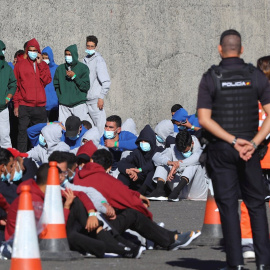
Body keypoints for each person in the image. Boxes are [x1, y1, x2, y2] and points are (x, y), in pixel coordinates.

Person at [197, 29, 270, 270]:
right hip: (249, 150)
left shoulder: (211, 77)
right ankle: (263, 263)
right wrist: (254, 142)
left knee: (228, 207)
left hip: (222, 149)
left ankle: (235, 264)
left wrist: (231, 140)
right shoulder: (256, 76)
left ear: (220, 49)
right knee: (256, 205)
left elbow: (204, 119)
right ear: (242, 49)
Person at [74, 148, 201, 250]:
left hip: (81, 227)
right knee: (133, 214)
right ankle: (171, 239)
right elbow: (126, 197)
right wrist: (146, 213)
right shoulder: (103, 179)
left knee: (124, 214)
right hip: (95, 230)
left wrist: (136, 196)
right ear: (108, 168)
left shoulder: (78, 177)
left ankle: (160, 234)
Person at [13, 38, 51, 152]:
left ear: (38, 51)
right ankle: (22, 159)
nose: (32, 52)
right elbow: (16, 86)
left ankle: (39, 157)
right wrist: (16, 105)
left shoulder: (43, 65)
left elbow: (47, 80)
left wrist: (40, 65)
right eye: (30, 50)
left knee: (41, 134)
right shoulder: (20, 65)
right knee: (22, 133)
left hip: (39, 107)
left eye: (35, 50)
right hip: (24, 105)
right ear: (26, 51)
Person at [147, 130, 208, 201]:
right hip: (179, 192)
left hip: (197, 191)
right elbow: (156, 157)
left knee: (192, 164)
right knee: (163, 163)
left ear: (192, 143)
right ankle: (159, 190)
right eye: (181, 151)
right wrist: (170, 163)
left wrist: (178, 165)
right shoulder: (175, 148)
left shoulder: (201, 148)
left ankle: (177, 190)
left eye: (185, 151)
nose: (183, 153)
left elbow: (198, 157)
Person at [117, 125, 163, 194]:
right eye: (142, 141)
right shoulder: (137, 152)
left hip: (153, 182)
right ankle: (120, 192)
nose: (143, 143)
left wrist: (140, 169)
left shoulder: (159, 150)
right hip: (139, 180)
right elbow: (122, 163)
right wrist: (129, 171)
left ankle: (142, 191)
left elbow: (152, 165)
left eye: (146, 141)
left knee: (152, 170)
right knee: (123, 174)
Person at [54, 44, 90, 125]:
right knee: (63, 127)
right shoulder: (60, 69)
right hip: (64, 105)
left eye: (70, 54)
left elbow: (86, 86)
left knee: (83, 126)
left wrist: (74, 76)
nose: (68, 56)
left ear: (74, 54)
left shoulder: (83, 68)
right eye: (66, 54)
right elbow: (56, 85)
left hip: (79, 104)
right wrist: (61, 97)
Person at [83, 35, 111, 137]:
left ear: (96, 47)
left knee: (100, 130)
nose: (89, 49)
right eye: (88, 46)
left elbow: (106, 81)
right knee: (89, 130)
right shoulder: (84, 60)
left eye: (92, 46)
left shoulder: (99, 60)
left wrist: (101, 97)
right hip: (86, 101)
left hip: (95, 101)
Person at [0, 40, 17, 148]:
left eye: (4, 50)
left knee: (5, 137)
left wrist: (8, 97)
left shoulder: (7, 68)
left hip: (3, 108)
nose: (3, 52)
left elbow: (13, 83)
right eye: (2, 49)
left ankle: (7, 162)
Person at [42, 46, 59, 122]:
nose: (45, 60)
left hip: (55, 105)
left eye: (46, 57)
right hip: (43, 106)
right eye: (43, 58)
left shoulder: (57, 69)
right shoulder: (40, 69)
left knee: (54, 127)